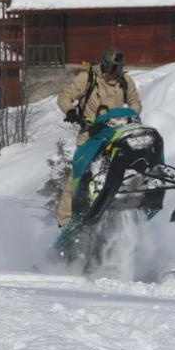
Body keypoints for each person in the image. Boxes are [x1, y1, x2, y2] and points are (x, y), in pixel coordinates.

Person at [55, 48, 142, 227]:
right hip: (91, 133)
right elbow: (65, 96)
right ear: (104, 65)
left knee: (133, 162)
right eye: (111, 68)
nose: (114, 73)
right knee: (79, 172)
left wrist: (132, 114)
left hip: (117, 133)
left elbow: (135, 102)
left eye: (118, 69)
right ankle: (65, 220)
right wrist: (70, 110)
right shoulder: (87, 78)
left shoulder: (125, 81)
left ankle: (138, 198)